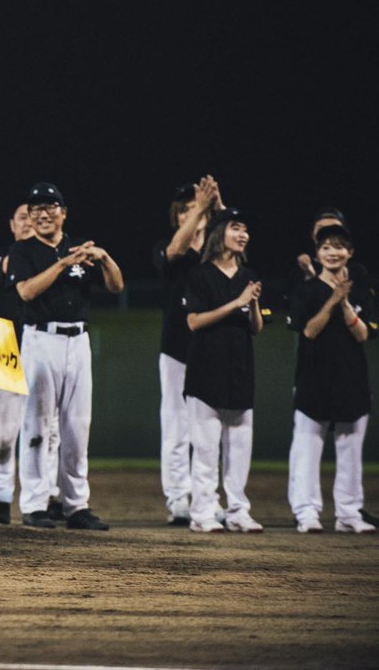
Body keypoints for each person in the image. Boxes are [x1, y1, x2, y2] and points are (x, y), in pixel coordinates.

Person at [7, 182, 122, 530]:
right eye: (36, 208)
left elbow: (116, 286)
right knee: (37, 426)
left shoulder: (79, 251)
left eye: (50, 207)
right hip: (41, 339)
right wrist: (63, 264)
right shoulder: (23, 250)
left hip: (78, 340)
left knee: (77, 427)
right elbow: (26, 292)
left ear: (63, 213)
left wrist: (103, 258)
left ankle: (75, 505)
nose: (43, 213)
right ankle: (35, 503)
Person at [286, 225, 375, 533]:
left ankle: (349, 513)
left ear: (349, 252)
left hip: (351, 377)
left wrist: (346, 301)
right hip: (314, 377)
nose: (333, 252)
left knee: (351, 447)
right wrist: (332, 300)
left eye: (339, 246)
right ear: (317, 253)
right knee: (308, 447)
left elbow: (363, 334)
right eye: (326, 247)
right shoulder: (305, 291)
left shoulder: (362, 290)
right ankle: (307, 511)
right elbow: (309, 331)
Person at [183, 207, 265, 533]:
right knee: (205, 450)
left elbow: (257, 328)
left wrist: (254, 302)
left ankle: (238, 511)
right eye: (235, 227)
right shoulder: (200, 276)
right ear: (219, 234)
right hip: (206, 373)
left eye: (245, 229)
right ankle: (202, 512)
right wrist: (236, 302)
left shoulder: (249, 276)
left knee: (240, 450)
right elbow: (193, 322)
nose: (243, 234)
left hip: (240, 371)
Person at [152, 176, 221, 526]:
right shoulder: (170, 248)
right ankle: (179, 497)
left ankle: (207, 495)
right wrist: (202, 211)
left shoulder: (217, 253)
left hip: (212, 348)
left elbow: (230, 238)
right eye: (183, 210)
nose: (189, 215)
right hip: (177, 348)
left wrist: (218, 208)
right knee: (177, 427)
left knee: (210, 428)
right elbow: (176, 251)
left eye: (193, 208)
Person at [0, 203, 42, 524]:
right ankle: (1, 498)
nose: (28, 222)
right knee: (5, 430)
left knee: (48, 430)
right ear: (12, 224)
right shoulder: (2, 255)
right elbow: (8, 268)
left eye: (33, 218)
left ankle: (46, 496)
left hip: (42, 345)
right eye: (22, 217)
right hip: (5, 344)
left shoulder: (49, 256)